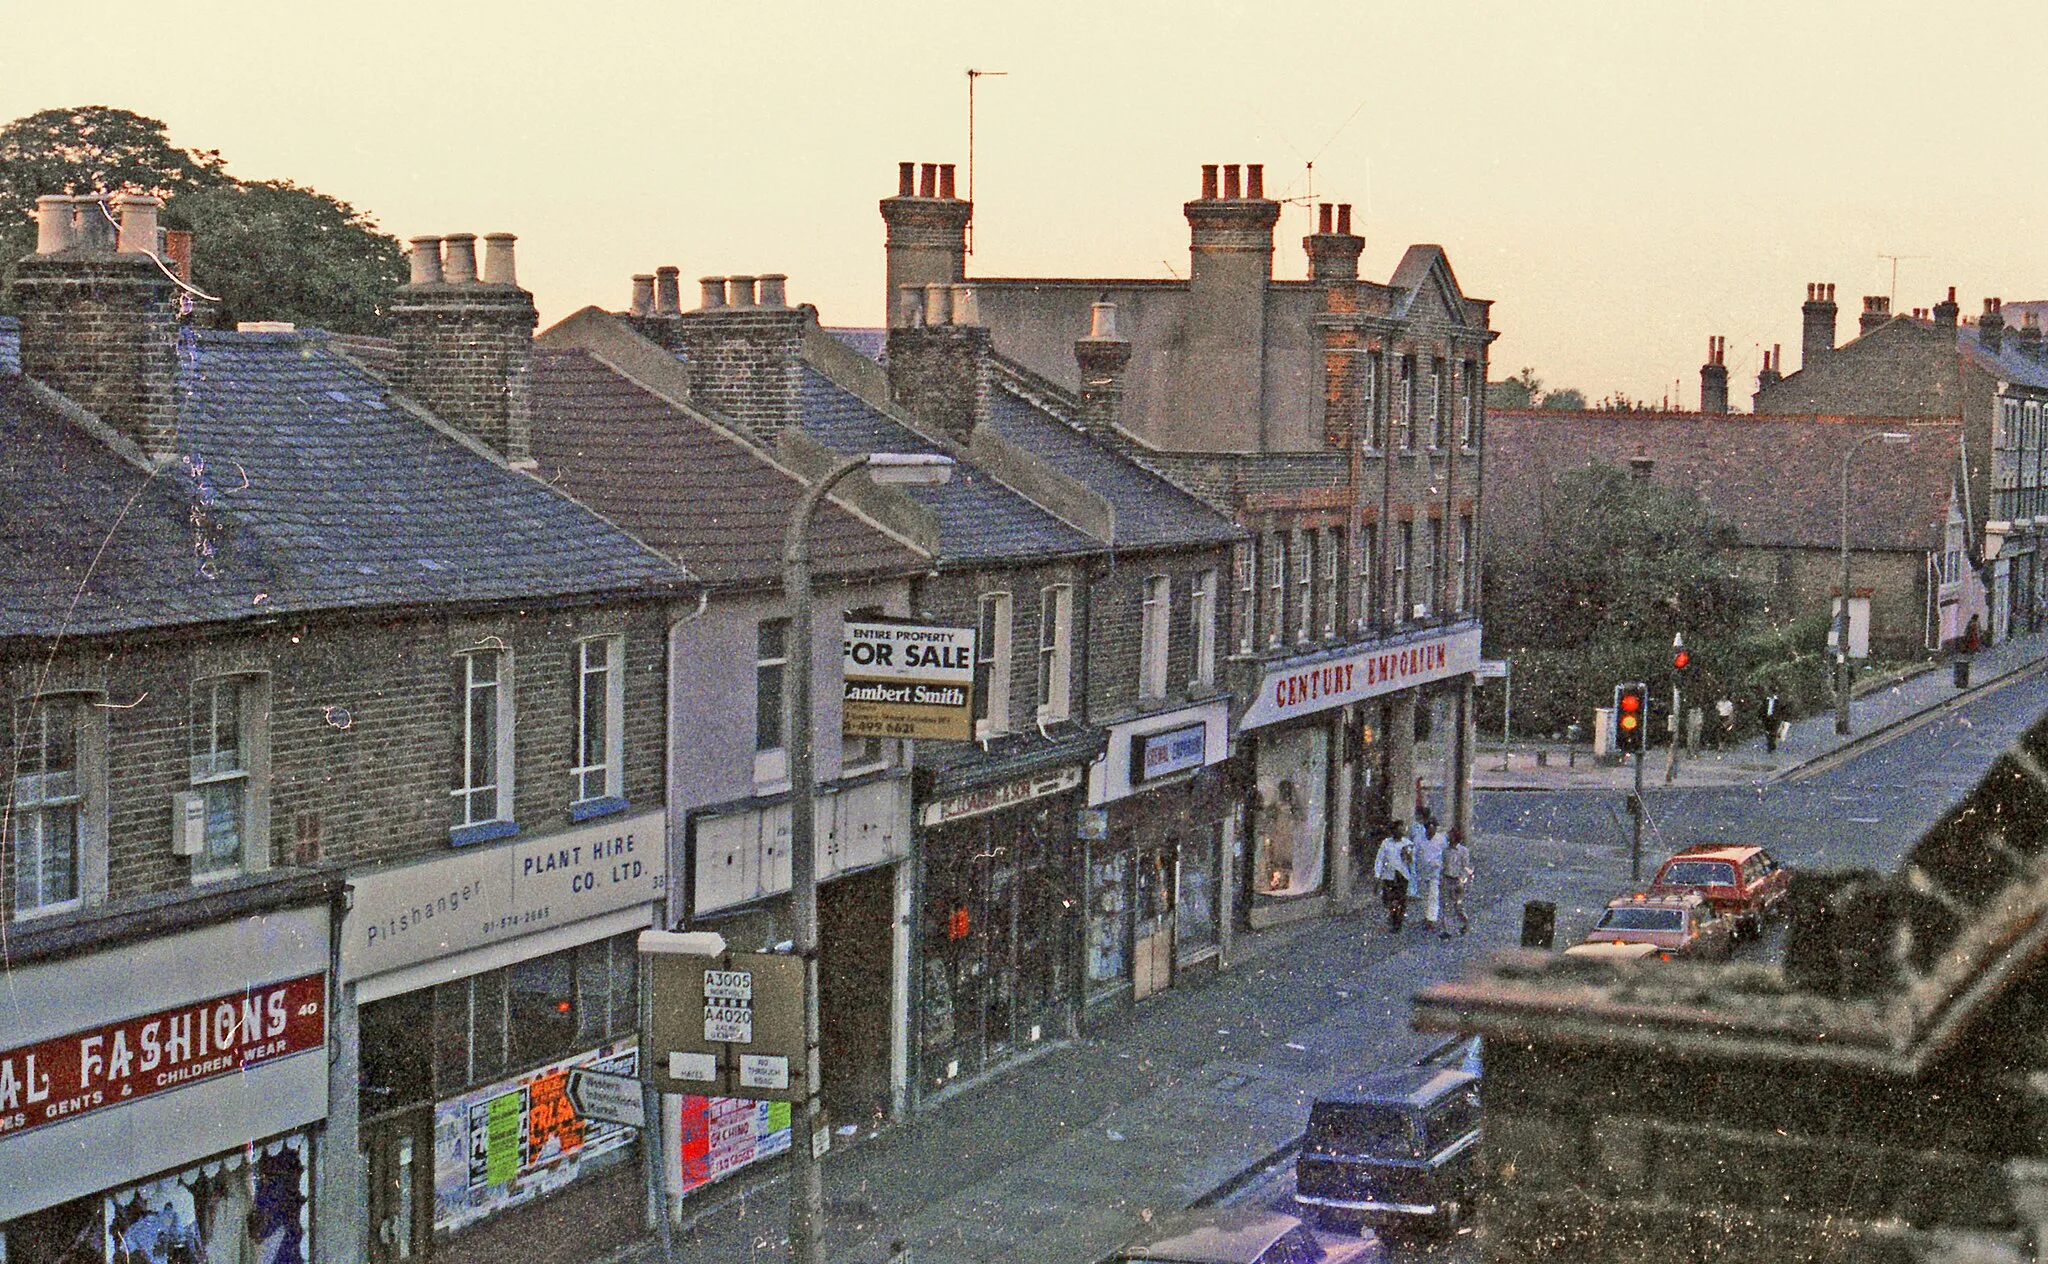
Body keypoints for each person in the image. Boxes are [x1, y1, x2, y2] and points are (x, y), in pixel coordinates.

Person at [1374, 822, 1413, 932]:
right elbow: (1380, 859)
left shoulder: (1407, 843)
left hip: (1402, 876)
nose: (1401, 832)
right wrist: (1377, 875)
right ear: (1394, 831)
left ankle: (1397, 922)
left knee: (1401, 900)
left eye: (1402, 829)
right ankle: (1393, 915)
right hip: (1389, 876)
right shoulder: (1386, 843)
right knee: (1389, 899)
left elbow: (1411, 861)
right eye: (1398, 829)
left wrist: (1408, 855)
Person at [1415, 820, 1448, 933]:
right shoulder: (1419, 839)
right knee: (1424, 895)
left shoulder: (1441, 839)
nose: (1431, 833)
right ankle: (1426, 916)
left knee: (1433, 894)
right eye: (1429, 831)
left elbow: (1445, 853)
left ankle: (1431, 919)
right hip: (1422, 872)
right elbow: (1415, 853)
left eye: (1433, 831)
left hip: (1435, 872)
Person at [1441, 828, 1473, 936]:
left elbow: (1465, 866)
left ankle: (1464, 923)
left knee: (1458, 906)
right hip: (1447, 879)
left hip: (1457, 880)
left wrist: (1462, 881)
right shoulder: (1445, 850)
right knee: (1446, 906)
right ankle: (1448, 930)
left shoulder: (1463, 851)